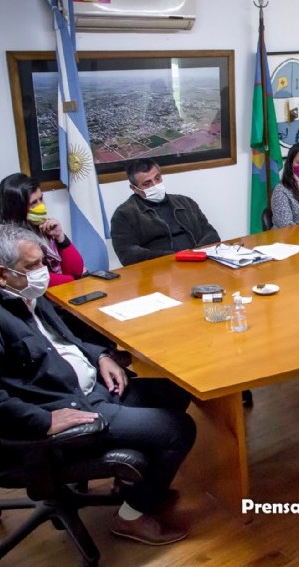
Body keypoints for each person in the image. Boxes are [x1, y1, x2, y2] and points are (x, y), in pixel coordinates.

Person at [0, 223, 196, 545]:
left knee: (175, 389)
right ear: (3, 274)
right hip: (76, 412)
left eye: (43, 263)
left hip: (96, 389)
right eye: (31, 266)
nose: (42, 272)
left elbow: (69, 341)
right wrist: (43, 420)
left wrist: (102, 357)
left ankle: (137, 484)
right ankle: (130, 517)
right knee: (180, 429)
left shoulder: (30, 298)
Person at [111, 158, 220, 266]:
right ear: (134, 188)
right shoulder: (123, 215)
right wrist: (175, 257)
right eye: (147, 183)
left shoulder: (185, 202)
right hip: (159, 271)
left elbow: (211, 234)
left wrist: (193, 255)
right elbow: (127, 254)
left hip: (198, 262)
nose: (155, 185)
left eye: (157, 178)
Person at [0, 172, 85, 286]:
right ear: (17, 208)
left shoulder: (44, 227)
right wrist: (71, 280)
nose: (41, 206)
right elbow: (37, 279)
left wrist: (60, 237)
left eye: (41, 198)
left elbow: (76, 270)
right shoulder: (11, 239)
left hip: (64, 291)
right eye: (34, 203)